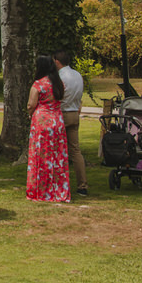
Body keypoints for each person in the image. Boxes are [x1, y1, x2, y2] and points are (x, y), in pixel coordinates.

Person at [26, 55, 71, 202]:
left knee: (41, 156)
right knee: (57, 156)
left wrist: (30, 113)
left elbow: (31, 104)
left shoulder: (38, 84)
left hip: (42, 122)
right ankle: (58, 189)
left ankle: (40, 189)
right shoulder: (59, 83)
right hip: (57, 121)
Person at [53, 49, 88, 197]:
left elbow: (56, 96)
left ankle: (59, 184)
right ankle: (82, 185)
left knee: (57, 150)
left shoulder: (59, 77)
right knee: (75, 150)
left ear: (57, 61)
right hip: (75, 112)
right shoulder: (77, 75)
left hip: (62, 113)